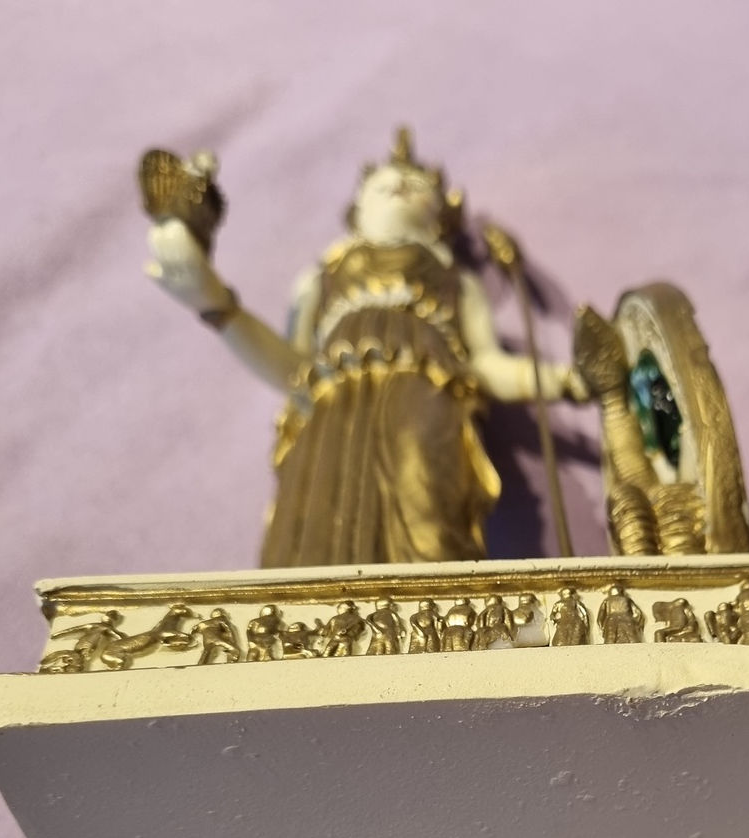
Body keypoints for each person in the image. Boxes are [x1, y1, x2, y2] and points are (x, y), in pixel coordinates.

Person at [144, 128, 586, 568]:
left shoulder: (458, 282)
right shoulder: (321, 277)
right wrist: (216, 306)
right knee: (318, 521)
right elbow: (293, 369)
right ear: (357, 208)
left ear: (442, 217)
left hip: (426, 394)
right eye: (383, 183)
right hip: (333, 405)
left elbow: (487, 365)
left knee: (427, 506)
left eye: (417, 186)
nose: (400, 186)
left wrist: (569, 380)